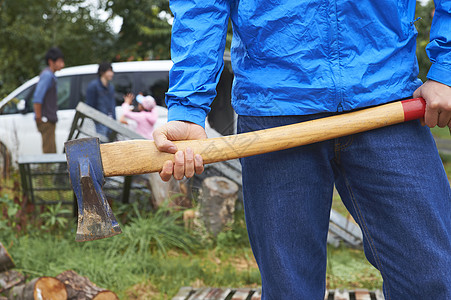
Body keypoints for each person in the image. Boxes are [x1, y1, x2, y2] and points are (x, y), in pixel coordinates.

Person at [153, 1, 451, 299]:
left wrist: (447, 67)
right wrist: (187, 108)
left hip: (387, 97)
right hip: (274, 105)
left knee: (434, 279)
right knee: (289, 292)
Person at [33, 47, 65, 153]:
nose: (62, 64)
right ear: (51, 61)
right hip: (46, 120)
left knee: (51, 150)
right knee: (49, 152)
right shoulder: (47, 75)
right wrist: (39, 117)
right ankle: (47, 170)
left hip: (49, 119)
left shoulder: (51, 75)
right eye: (60, 61)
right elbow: (37, 98)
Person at [85, 62, 116, 140]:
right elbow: (89, 105)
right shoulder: (93, 86)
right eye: (109, 71)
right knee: (102, 146)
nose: (112, 74)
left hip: (111, 122)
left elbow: (112, 106)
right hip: (100, 122)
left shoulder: (111, 87)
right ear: (102, 72)